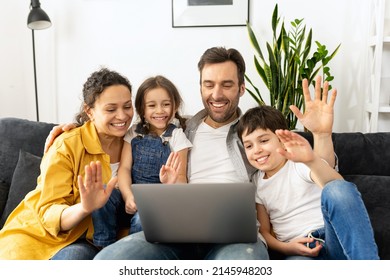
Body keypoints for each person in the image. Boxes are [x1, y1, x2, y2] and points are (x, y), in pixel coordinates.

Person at [45, 47, 336, 260]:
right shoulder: (182, 128)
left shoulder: (257, 132)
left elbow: (319, 169)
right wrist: (75, 125)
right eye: (209, 84)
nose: (217, 94)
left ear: (242, 88)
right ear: (200, 87)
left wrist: (321, 134)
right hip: (177, 231)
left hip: (235, 237)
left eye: (227, 84)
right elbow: (123, 124)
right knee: (109, 262)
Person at [0, 68, 134, 259]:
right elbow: (48, 212)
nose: (122, 116)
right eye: (111, 109)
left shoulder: (136, 142)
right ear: (89, 111)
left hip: (89, 239)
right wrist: (85, 208)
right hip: (39, 236)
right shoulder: (66, 144)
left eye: (127, 106)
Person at [236, 105, 379, 260]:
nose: (256, 150)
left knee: (336, 188)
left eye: (263, 140)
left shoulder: (298, 163)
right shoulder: (256, 182)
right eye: (249, 145)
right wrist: (286, 248)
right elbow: (263, 232)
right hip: (301, 251)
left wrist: (311, 160)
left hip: (335, 239)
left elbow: (337, 187)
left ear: (283, 140)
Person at [92, 75, 192, 247]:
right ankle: (103, 246)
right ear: (141, 109)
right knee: (102, 194)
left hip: (156, 203)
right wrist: (128, 196)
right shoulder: (133, 132)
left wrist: (171, 184)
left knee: (142, 219)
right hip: (130, 197)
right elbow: (124, 169)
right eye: (152, 105)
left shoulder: (177, 137)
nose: (159, 111)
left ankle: (132, 252)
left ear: (175, 106)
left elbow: (182, 178)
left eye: (166, 104)